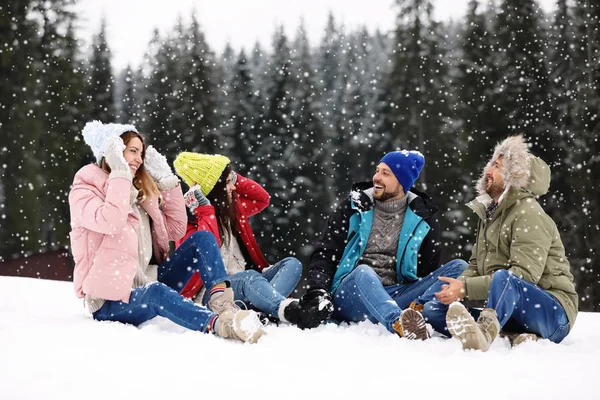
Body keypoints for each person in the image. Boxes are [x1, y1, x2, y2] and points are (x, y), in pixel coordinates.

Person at [68, 121, 264, 343]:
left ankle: (223, 305)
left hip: (147, 280)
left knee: (202, 239)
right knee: (156, 293)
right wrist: (120, 172)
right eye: (132, 151)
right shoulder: (84, 191)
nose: (139, 160)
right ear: (112, 152)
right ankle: (220, 324)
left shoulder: (136, 194)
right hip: (109, 300)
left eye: (140, 153)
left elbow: (175, 228)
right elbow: (110, 221)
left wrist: (168, 182)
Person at [422, 135, 578, 351]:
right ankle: (514, 335)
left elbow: (523, 277)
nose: (487, 170)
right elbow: (476, 265)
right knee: (434, 310)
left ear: (515, 176)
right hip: (514, 313)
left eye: (496, 166)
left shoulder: (529, 213)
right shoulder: (489, 214)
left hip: (554, 314)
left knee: (507, 278)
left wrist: (466, 288)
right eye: (490, 164)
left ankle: (484, 335)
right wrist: (456, 288)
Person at [303, 150, 467, 338]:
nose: (376, 177)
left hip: (396, 294)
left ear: (402, 182)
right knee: (364, 272)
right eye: (377, 170)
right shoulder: (353, 207)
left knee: (459, 267)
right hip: (350, 294)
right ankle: (400, 323)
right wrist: (318, 289)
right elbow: (325, 253)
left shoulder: (423, 219)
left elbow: (427, 271)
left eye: (385, 173)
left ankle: (416, 312)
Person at [173, 152, 323, 328]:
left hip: (249, 284)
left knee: (292, 264)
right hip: (215, 293)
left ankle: (260, 311)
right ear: (215, 187)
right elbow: (207, 245)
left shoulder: (232, 211)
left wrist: (233, 177)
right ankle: (287, 311)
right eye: (228, 183)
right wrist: (205, 211)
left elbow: (262, 199)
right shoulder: (188, 224)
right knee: (248, 278)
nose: (233, 187)